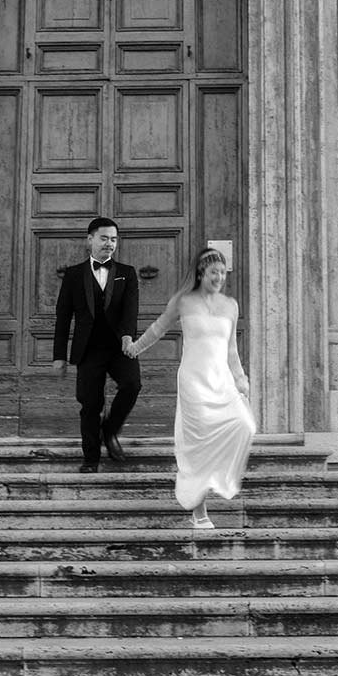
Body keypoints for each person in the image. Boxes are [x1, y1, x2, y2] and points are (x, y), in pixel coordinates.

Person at [125, 247, 255, 528]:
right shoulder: (183, 301)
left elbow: (231, 349)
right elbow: (158, 328)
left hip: (220, 378)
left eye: (222, 272)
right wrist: (135, 348)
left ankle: (218, 478)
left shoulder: (230, 305)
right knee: (197, 445)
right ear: (201, 273)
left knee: (245, 424)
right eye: (213, 272)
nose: (219, 277)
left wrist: (241, 378)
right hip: (193, 380)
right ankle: (200, 511)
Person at [52, 217, 141, 472]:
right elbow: (63, 316)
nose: (109, 244)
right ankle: (90, 459)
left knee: (132, 384)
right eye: (104, 238)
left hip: (119, 345)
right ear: (90, 239)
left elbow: (130, 309)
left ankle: (109, 430)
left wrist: (128, 336)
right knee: (90, 404)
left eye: (113, 239)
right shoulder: (73, 275)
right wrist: (59, 355)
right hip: (88, 348)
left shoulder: (127, 273)